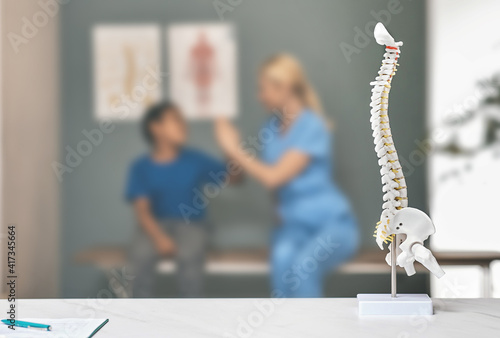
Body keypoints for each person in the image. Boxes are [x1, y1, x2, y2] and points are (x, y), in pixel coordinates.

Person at [215, 54, 359, 297]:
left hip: (333, 226)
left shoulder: (313, 126)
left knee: (304, 267)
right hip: (293, 227)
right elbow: (272, 187)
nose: (259, 96)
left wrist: (234, 149)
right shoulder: (269, 129)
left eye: (264, 88)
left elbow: (274, 177)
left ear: (285, 87)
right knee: (281, 260)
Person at [125, 101, 233, 297]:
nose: (184, 124)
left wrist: (229, 147)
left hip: (193, 224)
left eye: (183, 120)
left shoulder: (195, 159)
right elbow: (142, 211)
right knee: (140, 255)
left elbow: (234, 178)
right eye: (176, 119)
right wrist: (160, 239)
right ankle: (139, 315)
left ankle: (190, 317)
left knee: (189, 254)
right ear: (155, 128)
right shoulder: (140, 167)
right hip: (154, 225)